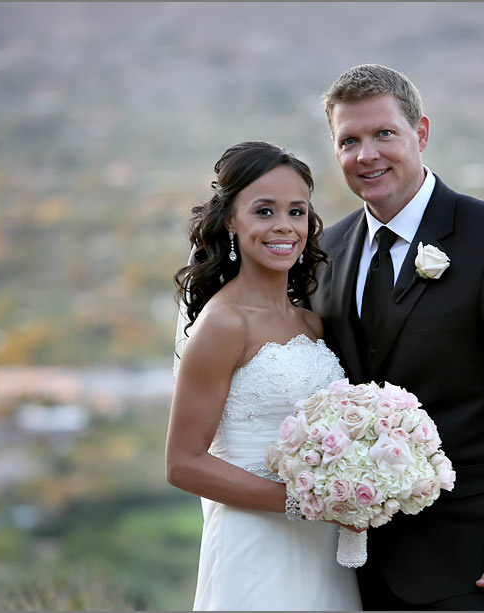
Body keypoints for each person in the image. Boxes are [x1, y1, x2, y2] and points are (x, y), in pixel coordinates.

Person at [308, 64, 484, 611]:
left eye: (384, 134)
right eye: (349, 141)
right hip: (347, 566)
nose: (367, 155)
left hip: (468, 561)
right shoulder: (327, 251)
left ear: (421, 133)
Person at [165, 141, 361, 611]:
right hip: (255, 542)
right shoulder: (223, 324)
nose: (283, 227)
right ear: (231, 220)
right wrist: (302, 502)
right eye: (264, 211)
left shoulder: (311, 323)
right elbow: (183, 463)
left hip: (323, 547)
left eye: (296, 211)